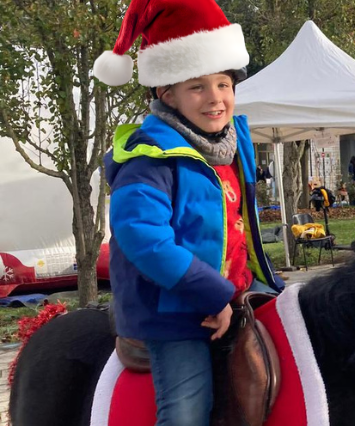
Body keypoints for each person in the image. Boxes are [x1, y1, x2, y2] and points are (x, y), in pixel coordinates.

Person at [94, 0, 285, 424]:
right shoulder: (148, 159)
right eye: (197, 87)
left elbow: (240, 228)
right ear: (167, 94)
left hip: (240, 288)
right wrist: (213, 294)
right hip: (173, 310)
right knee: (187, 411)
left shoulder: (231, 145)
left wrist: (266, 281)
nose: (216, 98)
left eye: (224, 84)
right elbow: (145, 239)